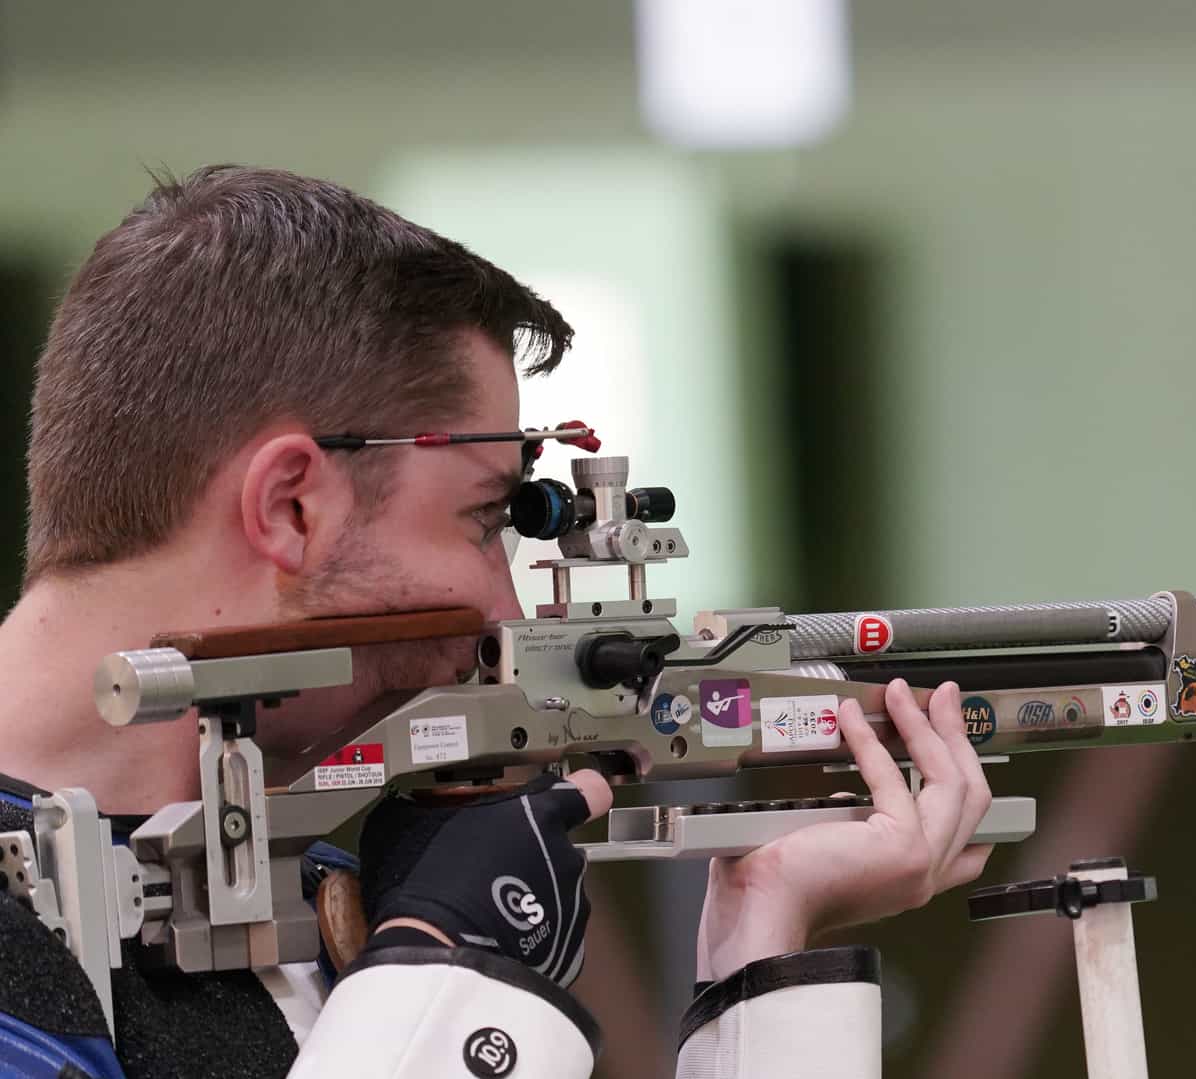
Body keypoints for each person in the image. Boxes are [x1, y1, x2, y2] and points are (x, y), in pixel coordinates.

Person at [0, 165, 995, 1078]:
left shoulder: (309, 916)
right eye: (485, 517)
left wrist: (762, 953)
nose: (506, 610)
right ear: (291, 505)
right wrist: (443, 970)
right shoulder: (389, 953)